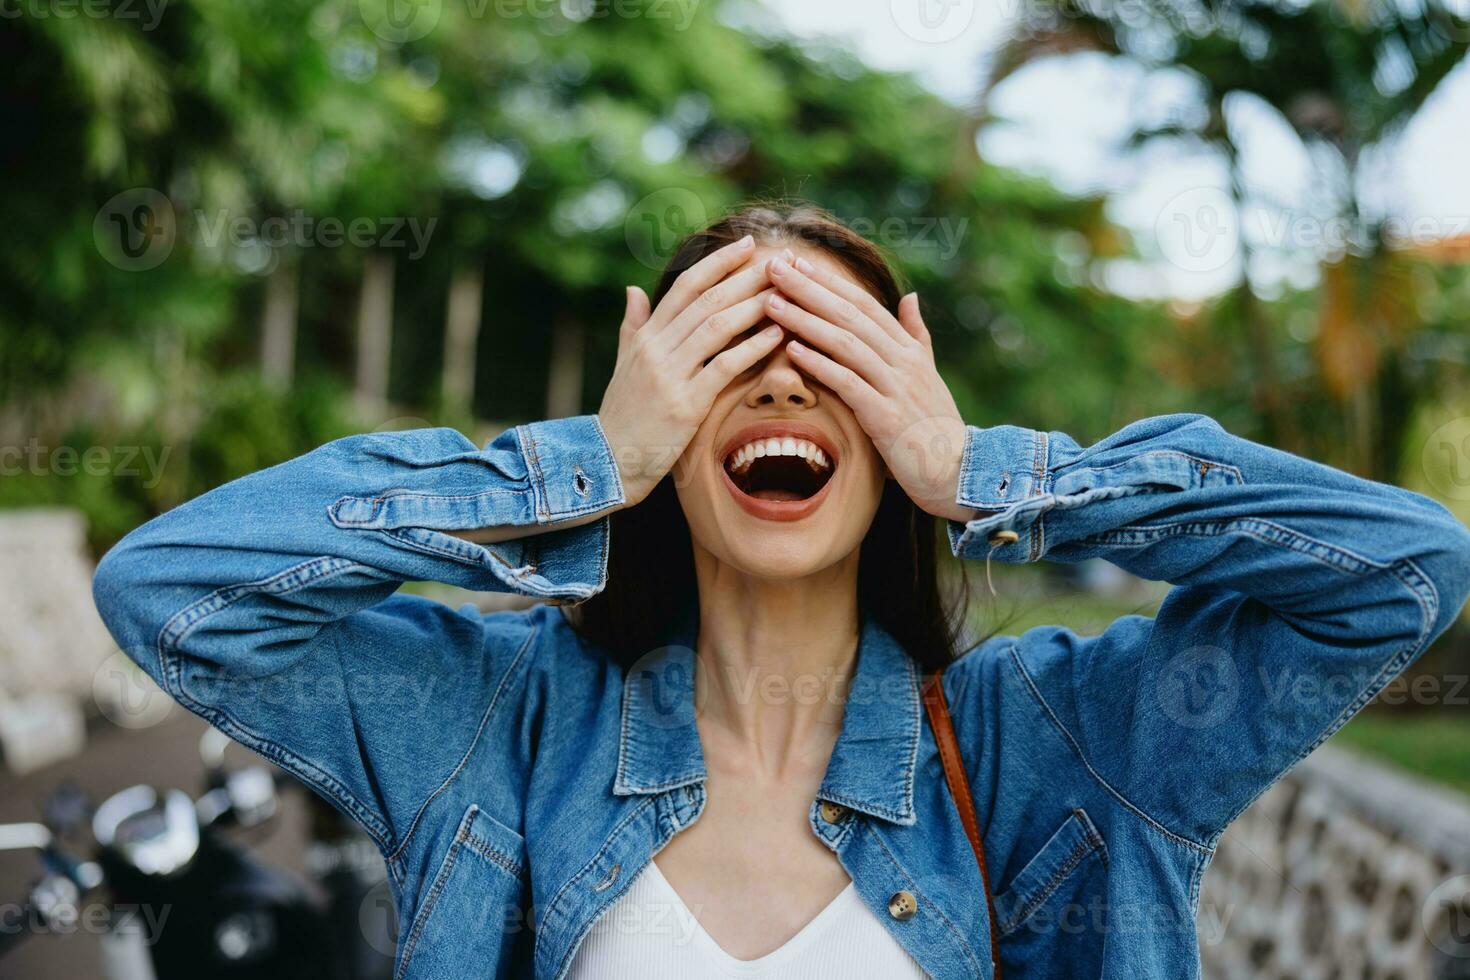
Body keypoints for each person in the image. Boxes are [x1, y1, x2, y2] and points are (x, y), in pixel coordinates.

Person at [93, 203, 1470, 979]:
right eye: (725, 345)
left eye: (834, 346)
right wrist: (582, 465)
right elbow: (175, 592)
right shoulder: (495, 721)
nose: (781, 376)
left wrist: (985, 468)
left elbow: (1402, 568)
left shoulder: (1059, 742)